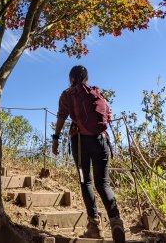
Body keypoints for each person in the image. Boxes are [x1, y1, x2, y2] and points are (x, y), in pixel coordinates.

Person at [52, 65, 125, 243]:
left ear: (71, 78)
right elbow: (108, 115)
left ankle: (94, 226)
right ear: (86, 78)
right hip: (101, 142)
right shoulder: (97, 93)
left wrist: (56, 138)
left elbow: (62, 116)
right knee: (104, 183)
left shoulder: (67, 94)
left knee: (86, 182)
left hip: (80, 143)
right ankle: (116, 220)